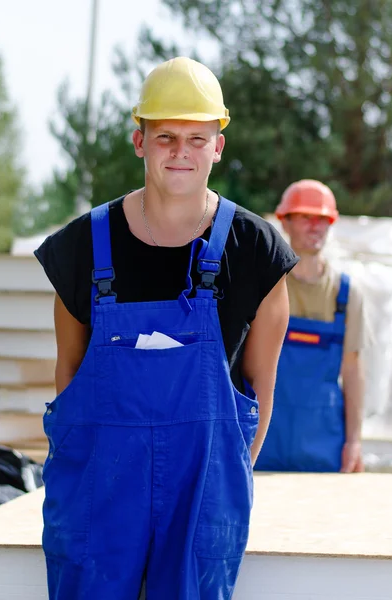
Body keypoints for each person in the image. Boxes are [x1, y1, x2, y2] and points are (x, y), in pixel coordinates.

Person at [34, 56, 298, 599]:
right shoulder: (81, 248)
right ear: (139, 141)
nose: (181, 151)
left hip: (203, 492)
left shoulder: (256, 253)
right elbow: (69, 378)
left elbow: (260, 392)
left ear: (218, 146)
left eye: (197, 138)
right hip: (96, 492)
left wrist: (225, 481)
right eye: (166, 136)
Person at [255, 179, 370, 474]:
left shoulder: (346, 295)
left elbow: (353, 371)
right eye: (305, 217)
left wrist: (354, 442)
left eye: (322, 219)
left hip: (324, 445)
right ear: (286, 222)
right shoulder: (266, 285)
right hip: (265, 440)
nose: (315, 226)